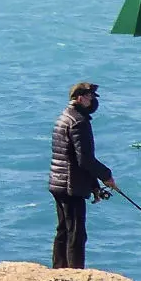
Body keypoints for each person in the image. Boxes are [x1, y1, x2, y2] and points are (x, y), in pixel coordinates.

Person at [49, 80, 115, 270]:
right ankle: (74, 272)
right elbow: (85, 160)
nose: (93, 100)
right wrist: (106, 176)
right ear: (80, 98)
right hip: (71, 185)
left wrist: (94, 186)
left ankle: (59, 268)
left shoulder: (64, 117)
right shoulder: (79, 122)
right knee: (76, 233)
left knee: (63, 229)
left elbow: (75, 158)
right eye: (90, 96)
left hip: (58, 181)